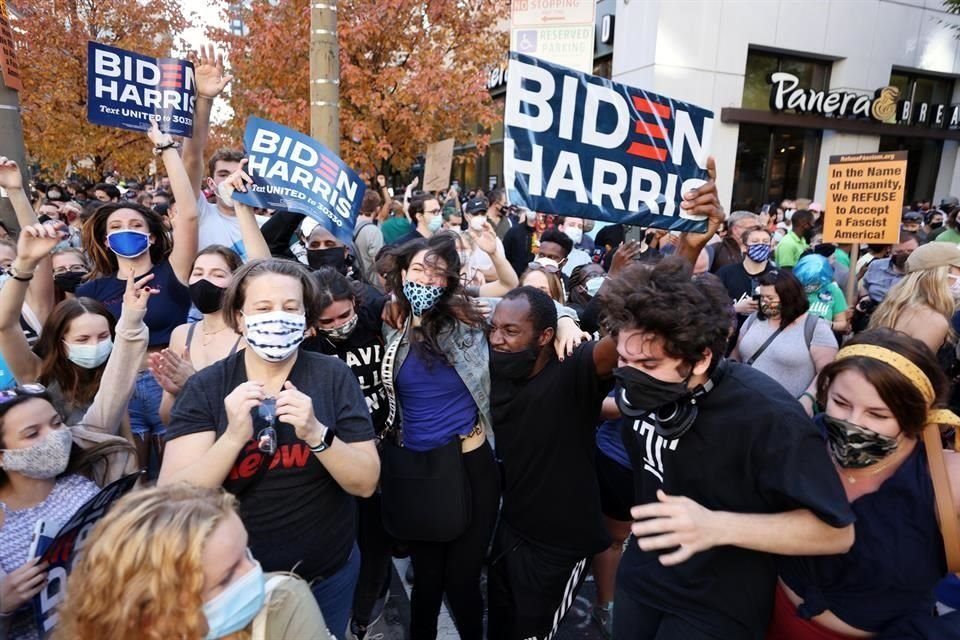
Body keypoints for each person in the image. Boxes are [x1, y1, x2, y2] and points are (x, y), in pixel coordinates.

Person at [599, 257, 855, 640]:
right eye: (624, 358)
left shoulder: (768, 416)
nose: (630, 373)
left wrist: (717, 526)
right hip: (643, 578)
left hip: (717, 602)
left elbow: (836, 533)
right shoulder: (640, 391)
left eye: (649, 363)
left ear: (701, 358)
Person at [160, 257, 379, 638]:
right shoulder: (207, 388)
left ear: (307, 320)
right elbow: (173, 499)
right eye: (263, 308)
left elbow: (365, 482)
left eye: (290, 308)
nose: (277, 318)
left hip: (328, 577)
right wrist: (232, 437)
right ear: (240, 318)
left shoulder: (332, 376)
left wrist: (316, 434)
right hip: (235, 589)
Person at [770, 329, 960, 638]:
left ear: (914, 417)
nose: (853, 423)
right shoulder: (804, 441)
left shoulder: (948, 481)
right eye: (841, 403)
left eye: (877, 414)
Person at [376, 235, 501, 640]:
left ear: (447, 280)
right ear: (401, 274)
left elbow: (538, 304)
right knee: (427, 583)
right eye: (418, 270)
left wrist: (567, 320)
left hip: (470, 465)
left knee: (462, 582)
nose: (425, 279)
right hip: (417, 471)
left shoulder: (466, 320)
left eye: (436, 272)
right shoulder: (389, 323)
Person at [486, 286, 618, 639]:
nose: (497, 339)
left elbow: (638, 333)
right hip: (512, 529)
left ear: (544, 337)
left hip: (559, 546)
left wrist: (688, 253)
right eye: (494, 328)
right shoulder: (499, 365)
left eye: (511, 331)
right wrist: (563, 314)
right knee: (500, 626)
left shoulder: (574, 367)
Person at [56, 484, 333, 640]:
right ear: (152, 617)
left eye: (246, 553)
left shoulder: (283, 604)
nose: (256, 573)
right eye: (226, 577)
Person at [77, 123, 199, 468]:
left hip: (169, 383)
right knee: (131, 477)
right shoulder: (91, 290)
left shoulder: (171, 272)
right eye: (115, 227)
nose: (125, 230)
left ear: (152, 237)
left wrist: (165, 148)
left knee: (178, 474)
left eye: (135, 225)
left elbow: (188, 215)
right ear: (104, 241)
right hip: (120, 390)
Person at [0, 381, 140, 640]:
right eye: (32, 433)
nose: (53, 437)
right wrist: (4, 607)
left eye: (56, 423)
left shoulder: (84, 489)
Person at [300, 268, 391, 640]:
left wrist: (563, 317)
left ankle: (367, 615)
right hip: (336, 455)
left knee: (378, 538)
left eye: (344, 315)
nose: (338, 325)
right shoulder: (308, 345)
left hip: (386, 447)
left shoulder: (377, 316)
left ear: (355, 303)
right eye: (327, 321)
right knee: (346, 537)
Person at [0, 223, 151, 428]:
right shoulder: (38, 373)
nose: (95, 345)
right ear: (60, 342)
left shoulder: (111, 374)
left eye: (103, 336)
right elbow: (5, 326)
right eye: (82, 339)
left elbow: (124, 438)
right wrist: (25, 263)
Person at [734, 268, 838, 411]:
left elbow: (827, 371)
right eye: (762, 297)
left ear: (788, 297)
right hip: (746, 404)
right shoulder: (754, 319)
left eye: (770, 298)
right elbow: (736, 355)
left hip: (787, 411)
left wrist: (808, 399)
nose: (764, 302)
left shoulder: (814, 327)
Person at [868, 241, 960, 354]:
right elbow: (915, 369)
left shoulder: (899, 306)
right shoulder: (932, 320)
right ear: (939, 275)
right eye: (959, 269)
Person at [717, 226, 775, 333]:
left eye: (765, 241)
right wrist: (735, 309)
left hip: (766, 338)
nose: (761, 245)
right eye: (755, 241)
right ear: (744, 247)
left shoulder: (778, 276)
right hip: (730, 337)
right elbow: (710, 309)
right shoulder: (725, 273)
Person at [793, 254, 850, 334]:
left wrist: (827, 324)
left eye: (814, 283)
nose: (809, 287)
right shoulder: (792, 290)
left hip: (823, 338)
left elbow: (842, 323)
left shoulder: (833, 290)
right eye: (805, 283)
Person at [860, 230, 919, 303]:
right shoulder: (876, 266)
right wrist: (865, 298)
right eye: (899, 252)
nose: (905, 254)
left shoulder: (924, 271)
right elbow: (865, 287)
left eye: (910, 251)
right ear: (890, 250)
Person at [353, 190, 385, 285]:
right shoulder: (373, 231)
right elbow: (379, 264)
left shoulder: (350, 224)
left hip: (354, 281)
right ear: (378, 209)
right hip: (371, 284)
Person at [503, 208, 538, 277]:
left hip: (534, 276)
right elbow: (505, 255)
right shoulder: (514, 231)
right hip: (514, 276)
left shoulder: (544, 232)